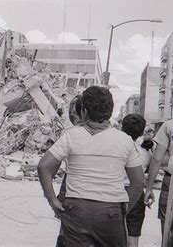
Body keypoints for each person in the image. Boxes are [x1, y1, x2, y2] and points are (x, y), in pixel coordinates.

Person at [38, 86, 144, 247]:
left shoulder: (71, 136)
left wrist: (52, 199)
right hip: (110, 212)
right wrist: (125, 209)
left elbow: (44, 166)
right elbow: (138, 182)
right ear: (110, 111)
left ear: (84, 112)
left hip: (76, 210)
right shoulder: (124, 140)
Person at [144, 85, 173, 237]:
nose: (172, 104)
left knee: (169, 231)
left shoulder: (169, 125)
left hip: (172, 182)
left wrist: (149, 189)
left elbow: (156, 159)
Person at [55, 95, 83, 247]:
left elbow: (48, 164)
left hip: (70, 180)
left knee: (65, 227)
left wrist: (53, 199)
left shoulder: (68, 133)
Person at [121, 114, 152, 247]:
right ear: (141, 132)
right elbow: (141, 175)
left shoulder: (119, 148)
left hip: (119, 191)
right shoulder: (146, 152)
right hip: (138, 193)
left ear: (122, 128)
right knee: (133, 234)